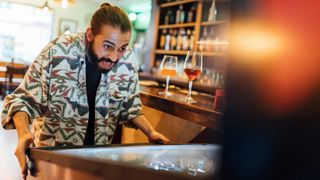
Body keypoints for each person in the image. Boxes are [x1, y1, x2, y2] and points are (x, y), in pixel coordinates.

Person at [1, 2, 169, 179]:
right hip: (51, 159)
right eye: (107, 46)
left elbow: (130, 106)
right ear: (90, 34)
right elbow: (22, 100)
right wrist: (23, 134)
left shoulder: (127, 61)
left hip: (97, 160)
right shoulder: (58, 51)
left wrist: (150, 132)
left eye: (122, 48)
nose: (114, 57)